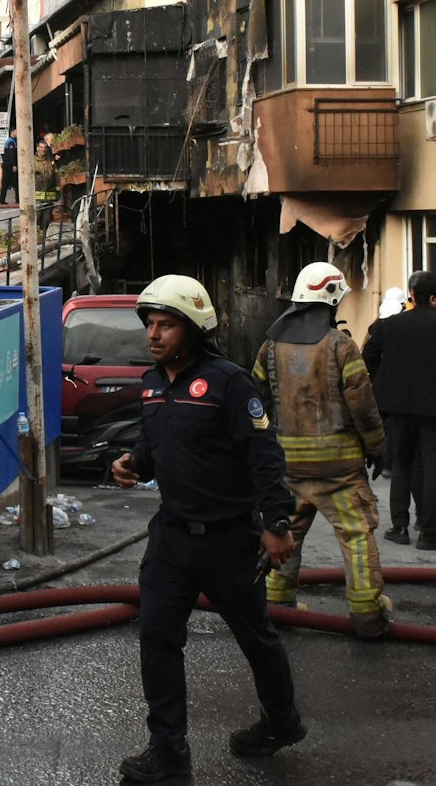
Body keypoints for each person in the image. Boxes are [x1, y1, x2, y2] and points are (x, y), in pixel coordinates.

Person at [110, 275, 303, 782]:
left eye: (165, 325)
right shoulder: (153, 382)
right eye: (150, 324)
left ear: (193, 329)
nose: (153, 335)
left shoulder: (230, 383)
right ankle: (168, 750)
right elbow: (153, 444)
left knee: (256, 637)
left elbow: (264, 456)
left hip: (228, 540)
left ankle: (281, 722)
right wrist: (133, 462)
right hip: (172, 537)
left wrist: (276, 523)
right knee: (157, 636)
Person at [254, 263, 390, 637]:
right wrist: (377, 448)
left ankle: (277, 608)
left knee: (284, 533)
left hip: (287, 466)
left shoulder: (270, 346)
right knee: (357, 536)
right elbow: (363, 405)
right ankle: (367, 615)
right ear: (331, 298)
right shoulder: (342, 346)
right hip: (340, 469)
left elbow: (254, 400)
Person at [363, 273, 436, 550]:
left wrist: (385, 384)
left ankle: (399, 526)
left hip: (399, 406)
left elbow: (368, 356)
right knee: (434, 467)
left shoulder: (391, 324)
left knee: (401, 464)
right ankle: (429, 531)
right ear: (433, 298)